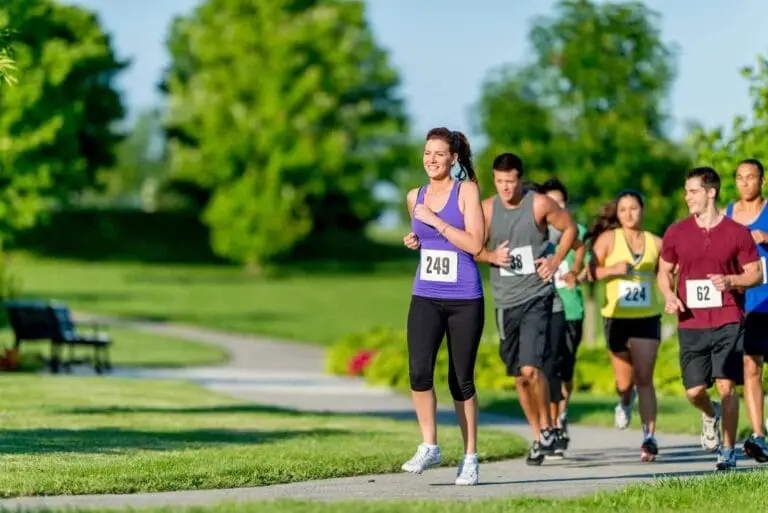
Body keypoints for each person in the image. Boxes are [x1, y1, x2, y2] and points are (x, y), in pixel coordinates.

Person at [474, 153, 577, 466]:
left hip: (537, 296)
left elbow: (570, 229)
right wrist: (489, 256)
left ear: (521, 178)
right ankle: (538, 435)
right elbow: (470, 244)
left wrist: (555, 260)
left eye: (511, 181)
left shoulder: (539, 204)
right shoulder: (487, 209)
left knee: (532, 368)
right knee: (520, 377)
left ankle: (548, 426)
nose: (506, 187)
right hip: (506, 303)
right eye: (500, 181)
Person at [657, 166, 763, 471]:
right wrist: (669, 295)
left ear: (711, 192)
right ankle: (709, 412)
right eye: (686, 191)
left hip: (729, 318)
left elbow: (755, 273)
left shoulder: (736, 232)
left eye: (693, 191)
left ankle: (728, 451)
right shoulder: (677, 232)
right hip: (690, 321)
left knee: (727, 386)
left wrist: (731, 282)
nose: (686, 197)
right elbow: (663, 272)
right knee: (694, 391)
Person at [400, 127, 485, 486]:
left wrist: (436, 222)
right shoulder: (413, 196)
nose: (431, 160)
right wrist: (416, 239)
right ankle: (430, 445)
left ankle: (469, 457)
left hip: (464, 298)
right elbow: (427, 238)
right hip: (426, 294)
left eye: (438, 154)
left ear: (453, 158)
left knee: (459, 379)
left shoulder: (466, 191)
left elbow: (476, 244)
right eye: (426, 153)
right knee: (419, 371)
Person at [584, 190, 663, 462]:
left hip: (647, 317)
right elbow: (587, 273)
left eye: (634, 208)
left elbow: (670, 272)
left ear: (643, 210)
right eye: (623, 209)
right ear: (617, 214)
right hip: (616, 318)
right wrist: (611, 270)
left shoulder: (656, 243)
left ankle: (649, 437)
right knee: (624, 382)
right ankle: (625, 402)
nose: (629, 214)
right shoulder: (608, 239)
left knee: (644, 376)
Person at [539, 178, 588, 454]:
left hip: (571, 310)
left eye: (560, 202)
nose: (556, 206)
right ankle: (553, 424)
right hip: (544, 309)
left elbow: (585, 266)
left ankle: (561, 415)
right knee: (549, 368)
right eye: (551, 202)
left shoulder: (576, 231)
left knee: (565, 370)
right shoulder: (537, 231)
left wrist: (575, 273)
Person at [724, 158, 768, 463]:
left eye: (751, 177)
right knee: (751, 366)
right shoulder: (728, 214)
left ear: (762, 181)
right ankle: (759, 435)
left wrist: (765, 238)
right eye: (740, 178)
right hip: (745, 302)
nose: (745, 183)